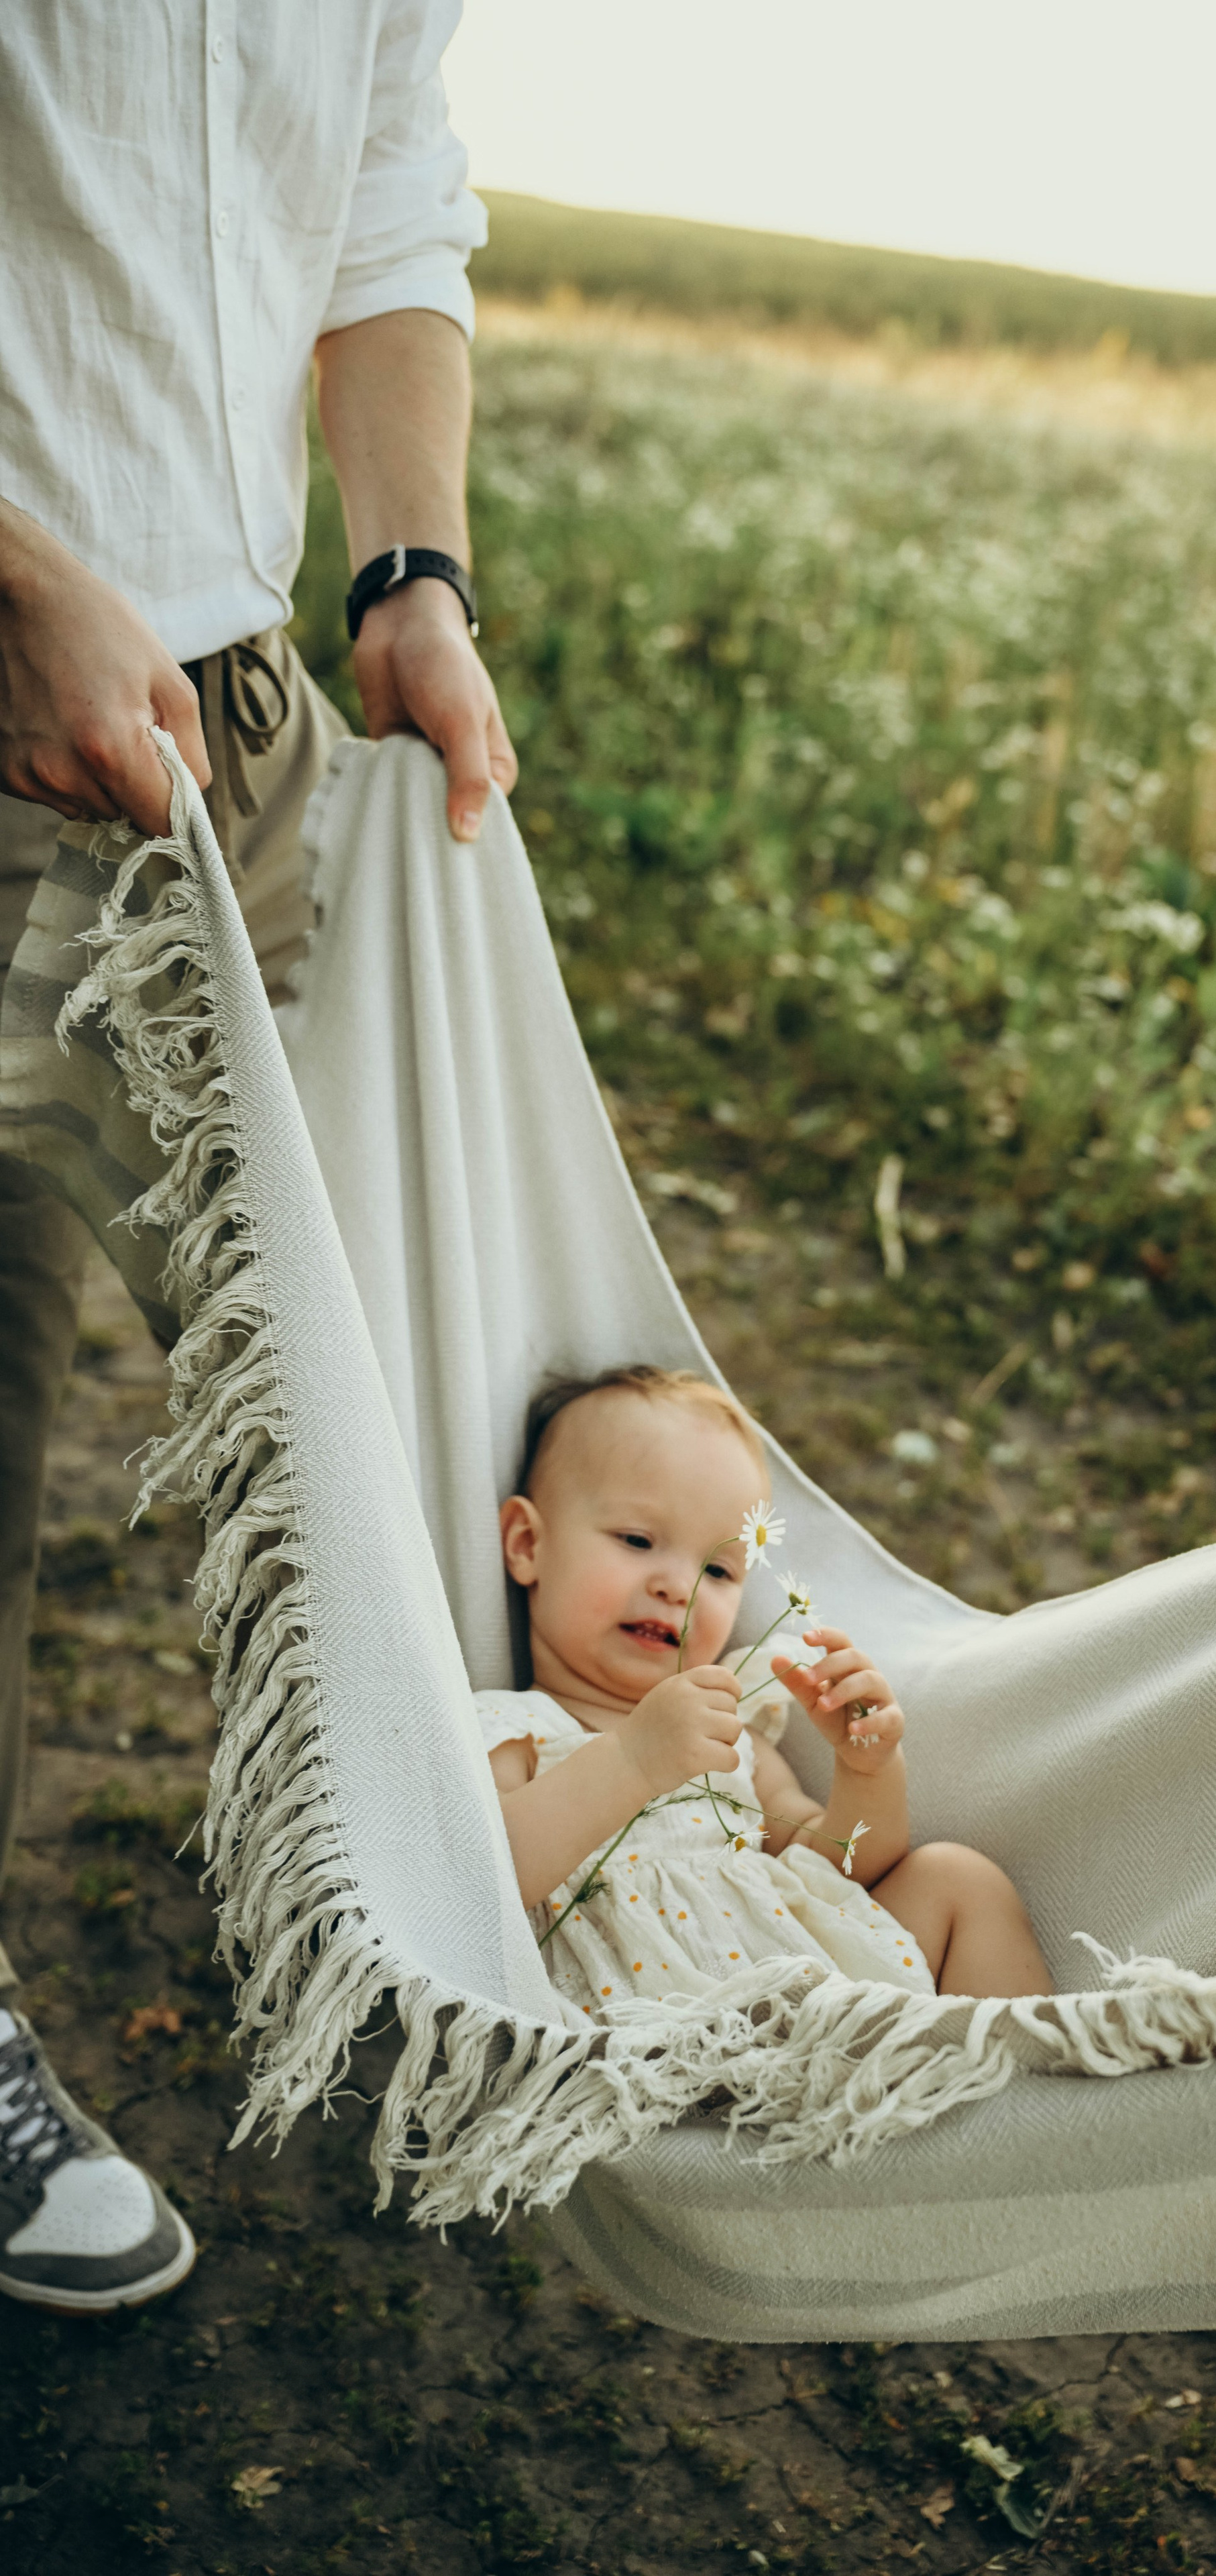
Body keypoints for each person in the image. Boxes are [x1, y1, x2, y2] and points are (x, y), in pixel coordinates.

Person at [0, 4, 516, 2312]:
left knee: (361, 1405)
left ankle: (502, 1914)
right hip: (13, 679)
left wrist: (412, 568)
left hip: (237, 732)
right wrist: (19, 585)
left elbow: (387, 189)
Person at [478, 1366, 1054, 2010]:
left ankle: (1030, 2090)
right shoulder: (515, 1729)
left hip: (803, 1992)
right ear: (528, 1544)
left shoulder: (735, 1733)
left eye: (719, 1570)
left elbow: (839, 1869)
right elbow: (480, 1883)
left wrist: (868, 1769)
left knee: (960, 1879)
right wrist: (633, 1760)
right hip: (660, 2035)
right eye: (637, 1540)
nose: (678, 1587)